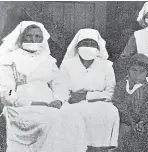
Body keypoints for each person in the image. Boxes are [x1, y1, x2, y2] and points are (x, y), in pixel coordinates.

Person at [0, 21, 87, 152]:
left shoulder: (47, 59)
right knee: (52, 119)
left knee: (74, 116)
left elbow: (59, 83)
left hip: (49, 101)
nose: (33, 39)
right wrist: (31, 102)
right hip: (21, 106)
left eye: (37, 36)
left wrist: (58, 99)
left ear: (42, 39)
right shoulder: (8, 59)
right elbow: (6, 91)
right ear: (21, 37)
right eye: (29, 36)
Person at [59, 28, 119, 151]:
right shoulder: (67, 64)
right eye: (85, 43)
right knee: (67, 114)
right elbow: (61, 88)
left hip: (99, 102)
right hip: (73, 102)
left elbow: (110, 92)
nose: (88, 47)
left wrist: (87, 96)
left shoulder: (107, 65)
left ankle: (99, 148)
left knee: (110, 112)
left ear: (98, 47)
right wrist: (69, 98)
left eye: (92, 44)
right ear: (77, 45)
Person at [112, 53, 148, 152]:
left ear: (146, 73)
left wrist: (142, 121)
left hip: (143, 121)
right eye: (134, 70)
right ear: (128, 70)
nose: (137, 74)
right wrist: (131, 121)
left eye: (142, 71)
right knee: (125, 131)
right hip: (125, 120)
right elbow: (119, 104)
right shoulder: (121, 86)